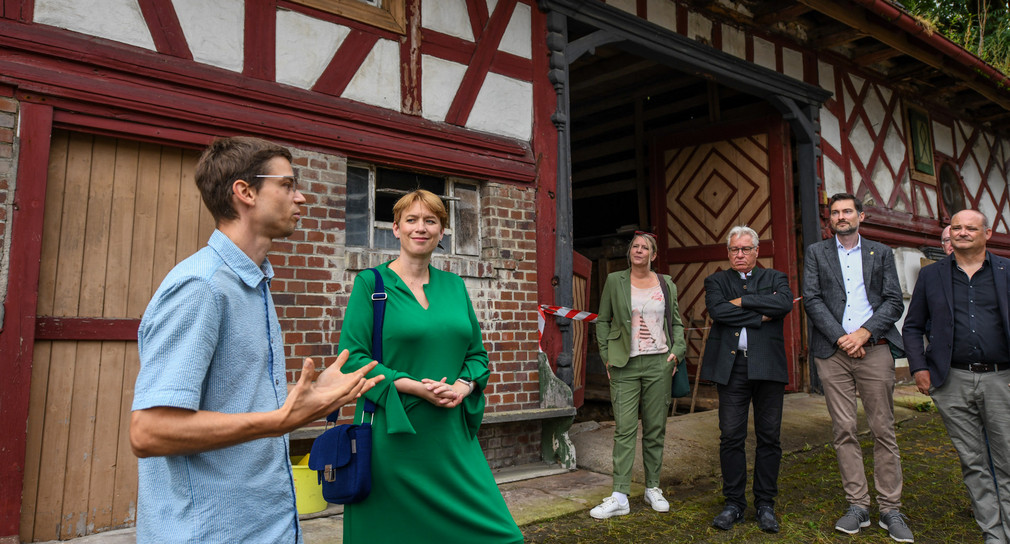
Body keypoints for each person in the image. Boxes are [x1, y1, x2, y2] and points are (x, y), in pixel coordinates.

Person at [130, 136, 383, 543]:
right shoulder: (202, 286)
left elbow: (234, 397)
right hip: (209, 533)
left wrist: (310, 394)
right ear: (244, 192)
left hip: (266, 528)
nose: (301, 198)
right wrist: (280, 420)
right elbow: (149, 431)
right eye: (286, 185)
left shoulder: (254, 281)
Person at [338, 190, 523, 543]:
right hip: (392, 436)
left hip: (450, 435)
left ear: (442, 232)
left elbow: (477, 356)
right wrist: (413, 386)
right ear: (395, 228)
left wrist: (464, 386)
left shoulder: (454, 286)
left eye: (430, 221)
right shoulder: (371, 285)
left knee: (502, 536)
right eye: (411, 220)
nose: (420, 228)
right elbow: (353, 361)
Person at [802, 193, 913, 543]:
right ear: (829, 219)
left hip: (876, 348)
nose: (840, 216)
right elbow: (813, 298)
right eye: (834, 212)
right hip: (832, 352)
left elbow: (894, 300)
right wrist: (842, 338)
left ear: (860, 216)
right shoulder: (816, 253)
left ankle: (891, 508)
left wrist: (864, 334)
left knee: (883, 428)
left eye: (847, 211)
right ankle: (857, 505)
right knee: (844, 429)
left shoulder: (880, 252)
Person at [903, 209, 1010, 543]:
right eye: (956, 227)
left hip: (1001, 379)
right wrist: (920, 368)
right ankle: (993, 534)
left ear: (987, 233)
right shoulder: (932, 275)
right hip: (952, 381)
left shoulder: (1007, 270)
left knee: (1007, 459)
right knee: (974, 462)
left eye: (970, 228)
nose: (962, 233)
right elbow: (912, 326)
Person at [702, 226, 793, 534]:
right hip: (732, 369)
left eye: (745, 249)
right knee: (731, 437)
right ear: (728, 254)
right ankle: (734, 504)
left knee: (769, 437)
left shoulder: (777, 278)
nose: (739, 254)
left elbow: (783, 305)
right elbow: (718, 311)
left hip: (768, 368)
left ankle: (765, 504)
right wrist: (760, 311)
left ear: (756, 251)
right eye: (733, 250)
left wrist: (740, 303)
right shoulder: (716, 280)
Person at [591, 231, 687, 519]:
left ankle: (653, 488)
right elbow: (603, 320)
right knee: (624, 430)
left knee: (655, 428)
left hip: (659, 362)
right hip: (625, 364)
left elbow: (677, 323)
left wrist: (677, 351)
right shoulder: (614, 281)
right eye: (635, 246)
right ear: (629, 252)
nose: (639, 250)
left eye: (645, 247)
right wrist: (607, 357)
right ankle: (620, 494)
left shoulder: (666, 283)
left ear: (653, 255)